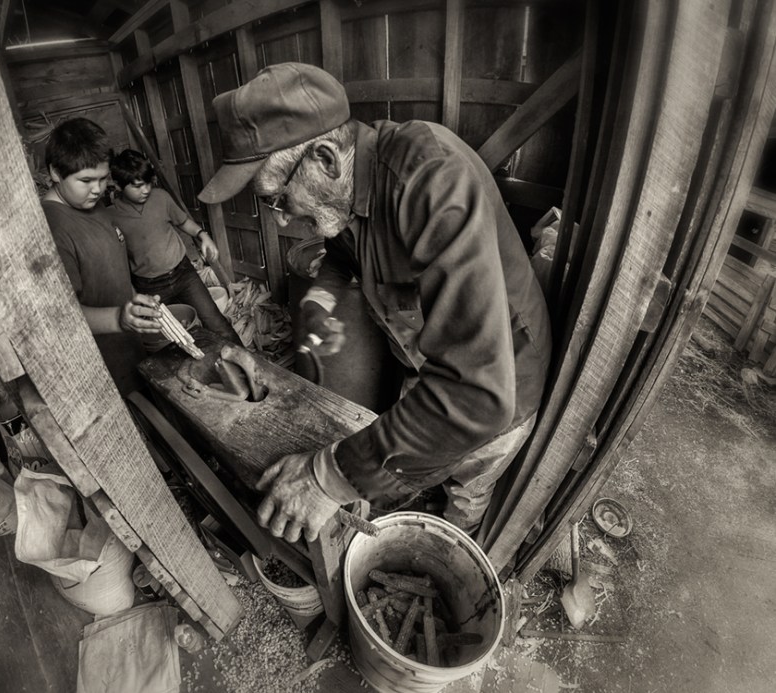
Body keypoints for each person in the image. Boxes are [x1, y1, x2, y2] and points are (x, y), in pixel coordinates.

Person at [198, 62, 552, 543]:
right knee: (413, 456)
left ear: (324, 158)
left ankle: (449, 539)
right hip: (426, 362)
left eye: (278, 198)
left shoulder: (431, 180)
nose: (281, 221)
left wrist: (327, 478)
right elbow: (341, 259)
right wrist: (316, 307)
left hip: (502, 378)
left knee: (467, 483)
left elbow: (477, 394)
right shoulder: (343, 192)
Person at [41, 118, 182, 395]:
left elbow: (113, 267)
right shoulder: (52, 229)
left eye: (103, 178)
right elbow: (59, 317)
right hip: (102, 363)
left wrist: (135, 306)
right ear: (55, 173)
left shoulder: (93, 206)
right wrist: (119, 318)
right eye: (85, 180)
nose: (97, 189)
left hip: (129, 345)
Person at [109, 149, 239, 343]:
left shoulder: (160, 198)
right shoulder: (111, 216)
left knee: (217, 325)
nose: (145, 190)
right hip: (150, 287)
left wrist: (203, 235)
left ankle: (254, 364)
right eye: (137, 186)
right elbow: (116, 260)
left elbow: (183, 222)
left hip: (184, 274)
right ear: (119, 185)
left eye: (147, 183)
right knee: (170, 340)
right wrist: (132, 293)